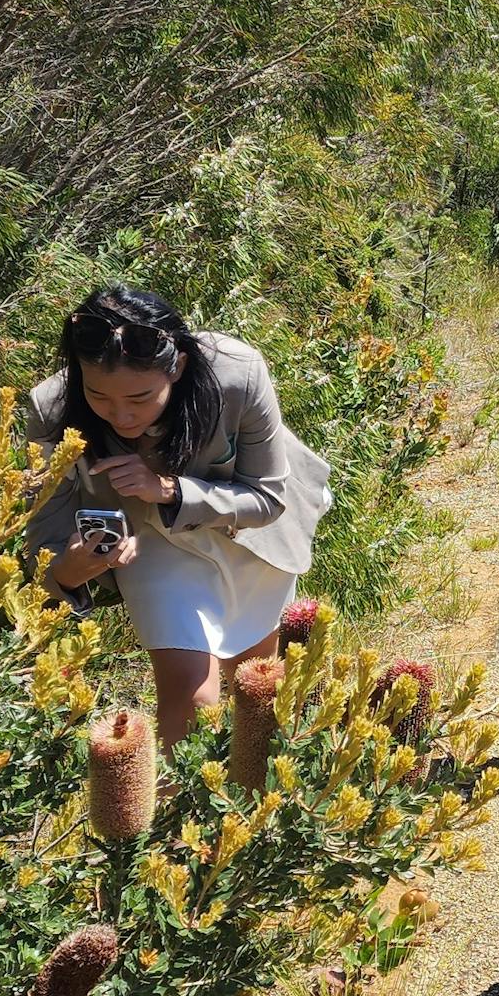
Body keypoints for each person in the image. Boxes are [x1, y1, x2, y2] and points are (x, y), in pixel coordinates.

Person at [27, 283, 331, 750]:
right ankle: (182, 817)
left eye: (140, 396)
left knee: (257, 687)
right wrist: (72, 568)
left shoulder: (237, 373)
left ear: (178, 367)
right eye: (99, 396)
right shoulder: (49, 408)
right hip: (153, 545)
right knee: (191, 694)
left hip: (246, 534)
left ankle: (253, 810)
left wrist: (168, 489)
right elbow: (44, 534)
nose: (120, 415)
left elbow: (267, 498)